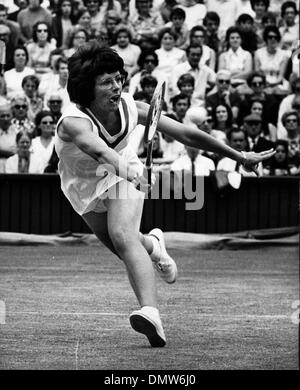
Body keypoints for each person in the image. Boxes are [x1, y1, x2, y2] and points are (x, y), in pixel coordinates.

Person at [54, 42, 275, 347]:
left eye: (118, 78)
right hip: (83, 185)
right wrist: (128, 170)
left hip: (123, 171)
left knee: (122, 235)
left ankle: (151, 313)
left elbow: (185, 133)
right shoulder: (72, 123)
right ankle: (154, 245)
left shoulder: (132, 107)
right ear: (84, 89)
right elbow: (99, 149)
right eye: (106, 82)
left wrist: (238, 155)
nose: (116, 86)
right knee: (127, 249)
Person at [0, 97, 16, 173]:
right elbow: (14, 152)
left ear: (12, 116)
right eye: (2, 116)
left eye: (8, 115)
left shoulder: (17, 130)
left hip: (13, 167)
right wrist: (11, 153)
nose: (5, 118)